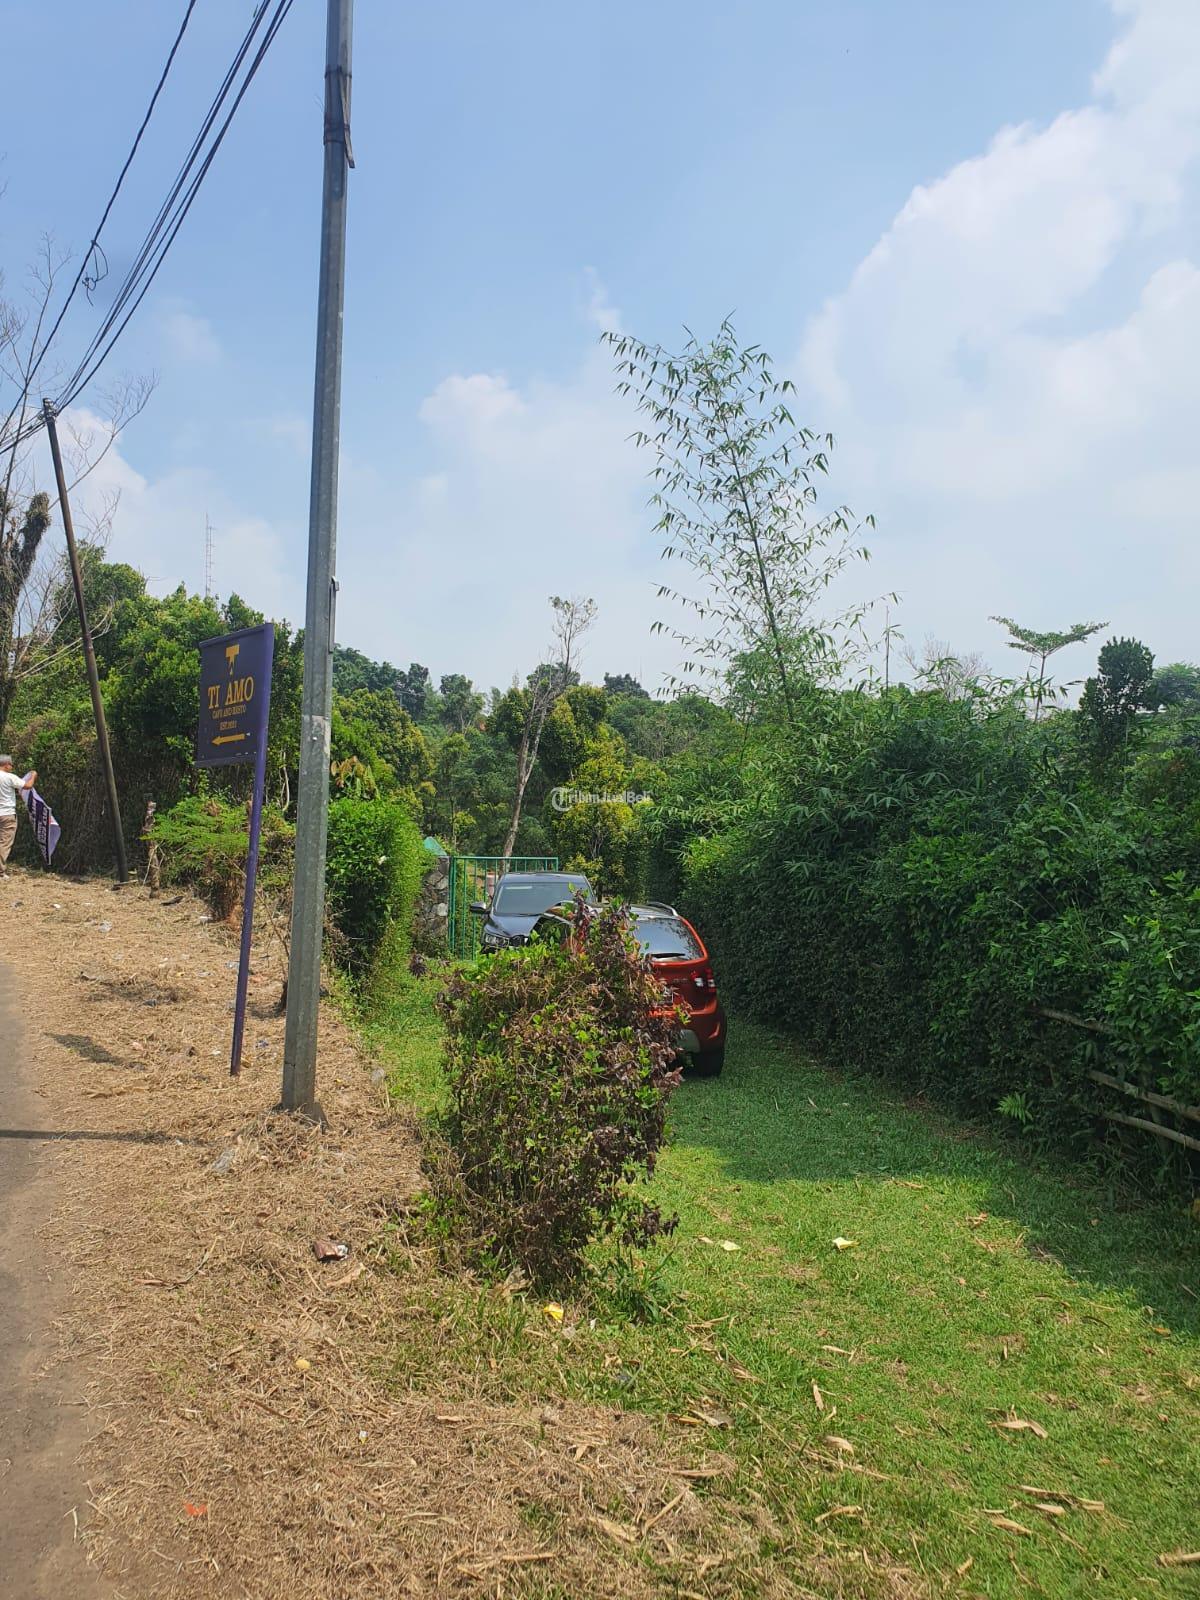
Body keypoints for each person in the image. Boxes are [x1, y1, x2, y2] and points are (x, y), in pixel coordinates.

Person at [0, 756, 35, 877]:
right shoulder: (9, 777)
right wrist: (33, 775)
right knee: (4, 842)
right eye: (11, 765)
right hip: (7, 814)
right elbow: (28, 785)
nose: (12, 767)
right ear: (6, 765)